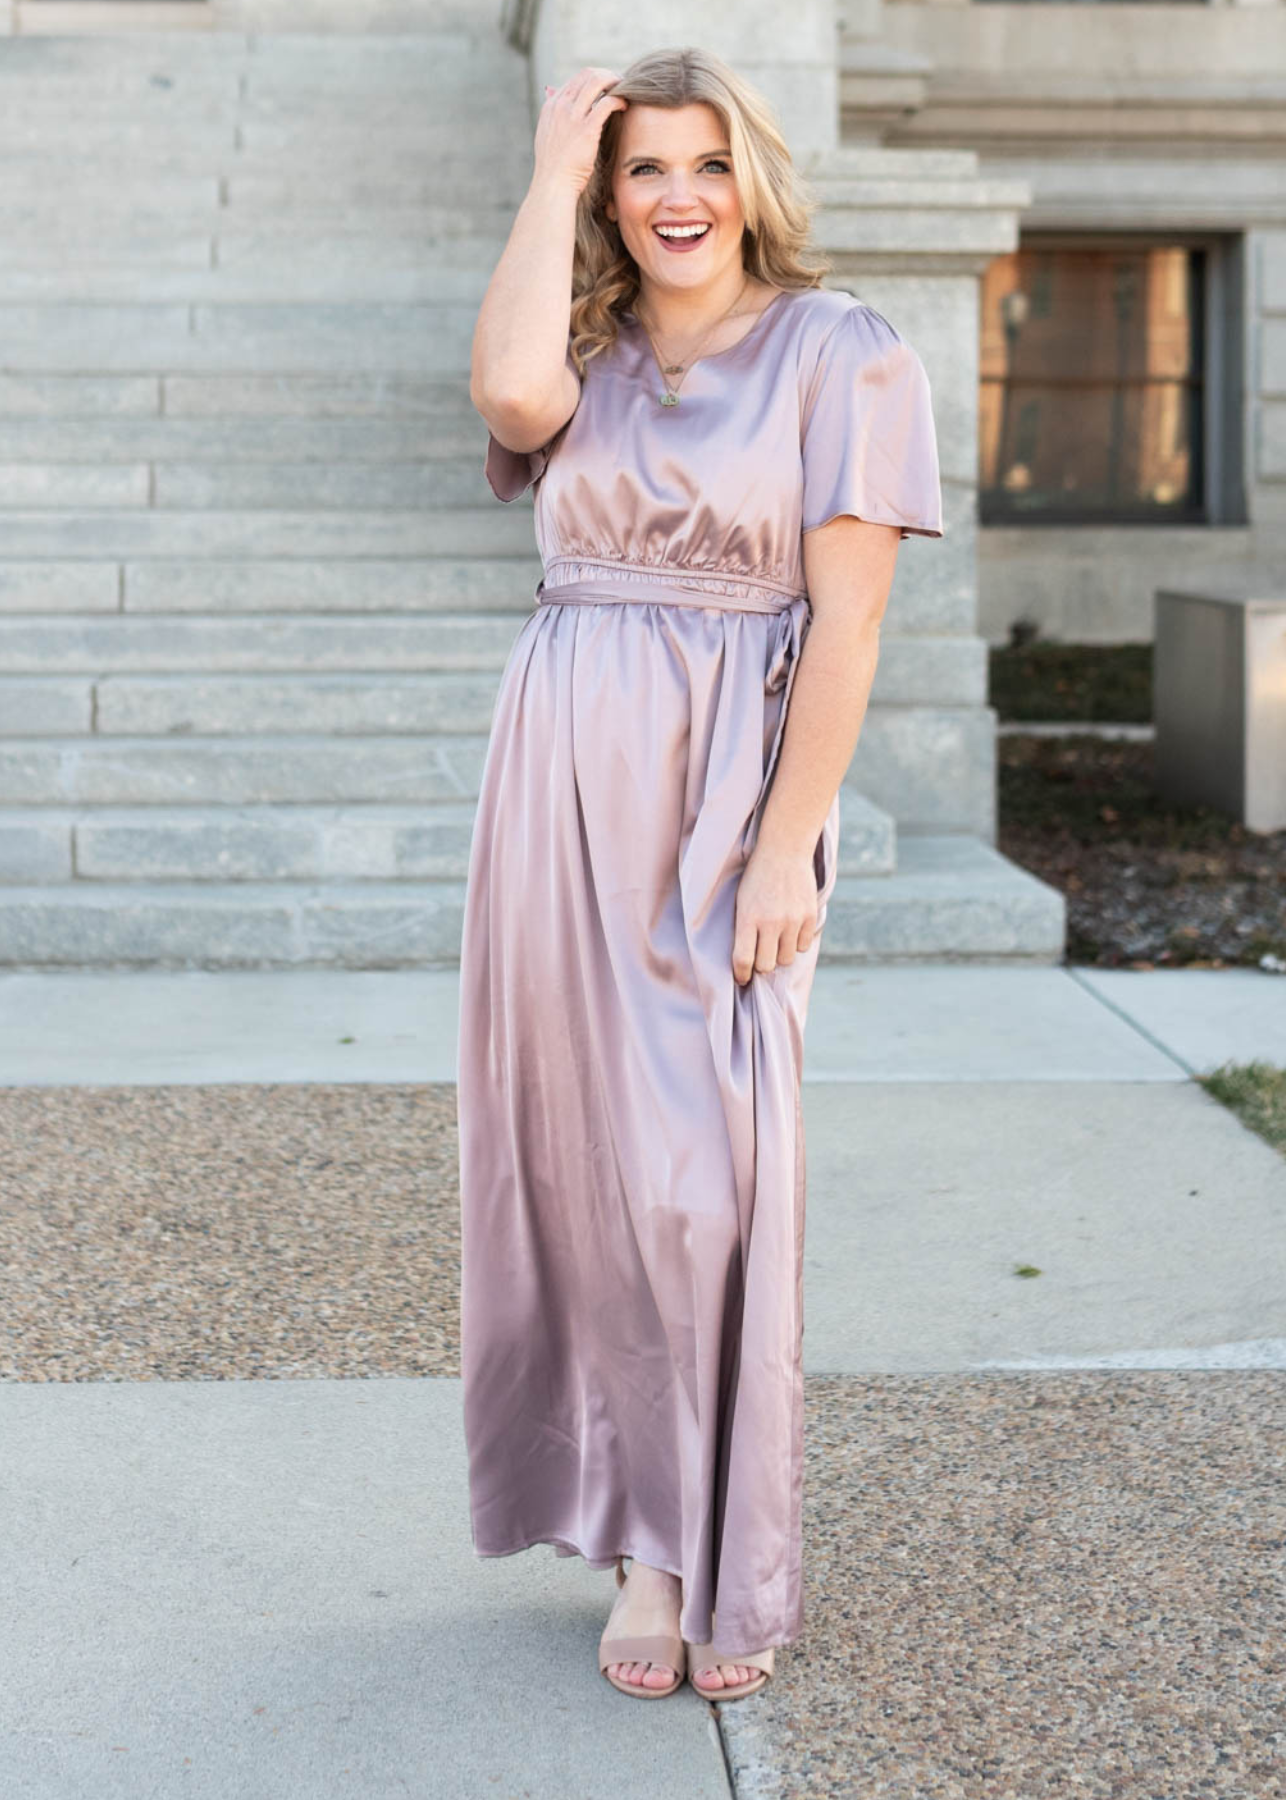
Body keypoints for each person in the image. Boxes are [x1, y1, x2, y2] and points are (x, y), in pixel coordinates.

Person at [458, 45, 944, 1704]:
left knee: (699, 1179)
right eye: (641, 167)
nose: (677, 196)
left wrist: (790, 840)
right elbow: (509, 402)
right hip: (558, 773)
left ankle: (699, 1542)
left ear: (755, 180)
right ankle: (639, 1547)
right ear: (607, 192)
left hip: (726, 781)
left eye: (706, 164)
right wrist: (543, 172)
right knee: (579, 1171)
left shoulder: (842, 350)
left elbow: (853, 617)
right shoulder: (582, 350)